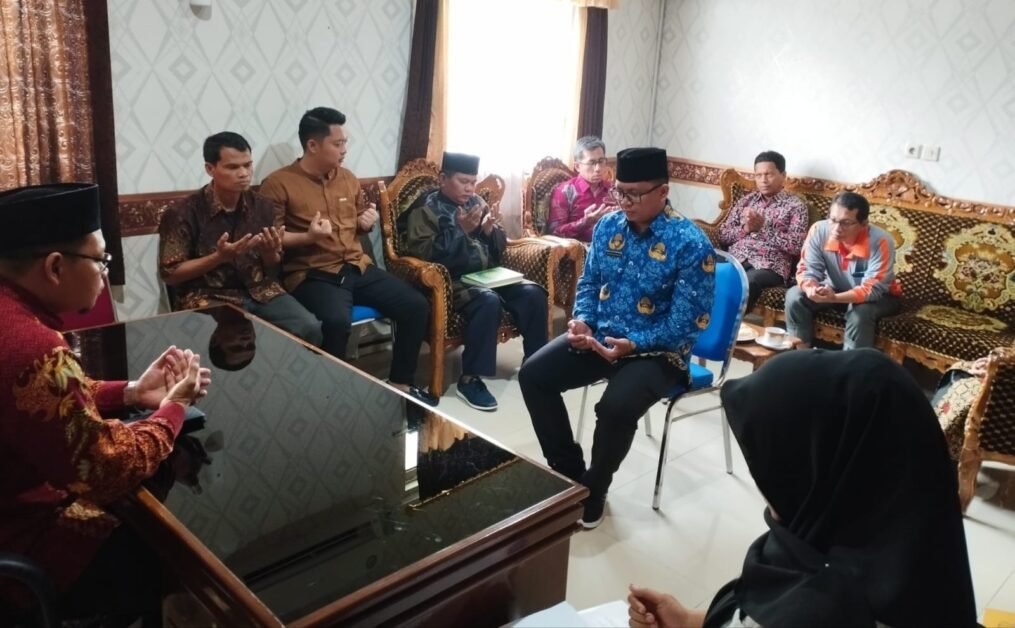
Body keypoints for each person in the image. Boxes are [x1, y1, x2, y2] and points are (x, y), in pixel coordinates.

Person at [627, 349, 977, 628]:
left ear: (812, 471)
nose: (761, 477)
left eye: (769, 459)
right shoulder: (913, 560)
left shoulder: (817, 610)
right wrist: (690, 621)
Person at [0, 183, 211, 625]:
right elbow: (105, 470)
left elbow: (37, 400)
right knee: (176, 545)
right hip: (22, 542)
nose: (103, 272)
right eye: (100, 260)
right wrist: (174, 407)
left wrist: (132, 392)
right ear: (55, 267)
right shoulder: (31, 345)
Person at [520, 147, 715, 529]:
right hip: (602, 337)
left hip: (659, 353)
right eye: (620, 191)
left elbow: (688, 323)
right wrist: (583, 321)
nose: (624, 201)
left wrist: (635, 344)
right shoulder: (608, 226)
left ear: (663, 192)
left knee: (614, 408)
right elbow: (590, 282)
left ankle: (595, 488)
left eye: (635, 194)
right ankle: (568, 475)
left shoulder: (690, 243)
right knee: (533, 375)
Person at [259, 106, 437, 406]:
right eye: (337, 143)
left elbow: (359, 219)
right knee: (335, 322)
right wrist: (308, 237)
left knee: (416, 305)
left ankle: (400, 385)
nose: (344, 150)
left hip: (357, 266)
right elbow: (271, 237)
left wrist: (366, 221)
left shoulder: (348, 179)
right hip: (314, 274)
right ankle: (328, 399)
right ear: (312, 145)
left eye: (345, 142)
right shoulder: (278, 184)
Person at [399, 152, 549, 411]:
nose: (470, 188)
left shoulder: (477, 202)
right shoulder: (426, 209)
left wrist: (490, 232)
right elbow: (423, 255)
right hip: (452, 282)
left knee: (533, 293)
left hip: (488, 275)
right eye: (463, 181)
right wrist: (460, 231)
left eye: (473, 182)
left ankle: (536, 365)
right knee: (488, 301)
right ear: (443, 179)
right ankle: (470, 379)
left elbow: (500, 247)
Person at [159, 131, 323, 347]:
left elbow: (272, 267)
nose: (244, 173)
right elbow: (170, 274)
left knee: (309, 327)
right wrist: (218, 257)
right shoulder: (183, 212)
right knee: (233, 332)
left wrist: (269, 253)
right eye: (233, 167)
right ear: (210, 169)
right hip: (210, 296)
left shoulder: (262, 206)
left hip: (261, 290)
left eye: (247, 165)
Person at [785, 191, 901, 349]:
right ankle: (801, 354)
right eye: (833, 220)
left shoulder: (881, 241)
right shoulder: (819, 230)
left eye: (846, 223)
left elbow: (872, 289)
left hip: (879, 297)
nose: (837, 229)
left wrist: (834, 298)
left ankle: (850, 362)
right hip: (834, 289)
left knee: (860, 313)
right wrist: (811, 288)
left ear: (864, 223)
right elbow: (807, 268)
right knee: (795, 295)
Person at [717, 150, 808, 311]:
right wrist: (745, 229)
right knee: (710, 272)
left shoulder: (796, 206)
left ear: (783, 175)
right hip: (737, 258)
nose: (763, 180)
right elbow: (722, 236)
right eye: (758, 175)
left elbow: (797, 246)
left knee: (746, 283)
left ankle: (726, 324)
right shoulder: (745, 201)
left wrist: (763, 229)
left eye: (769, 174)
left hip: (769, 265)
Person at [546, 135, 616, 242]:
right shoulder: (565, 191)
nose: (598, 169)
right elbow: (555, 232)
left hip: (613, 244)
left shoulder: (613, 189)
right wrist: (585, 222)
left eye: (601, 161)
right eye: (591, 163)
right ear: (578, 166)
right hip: (579, 248)